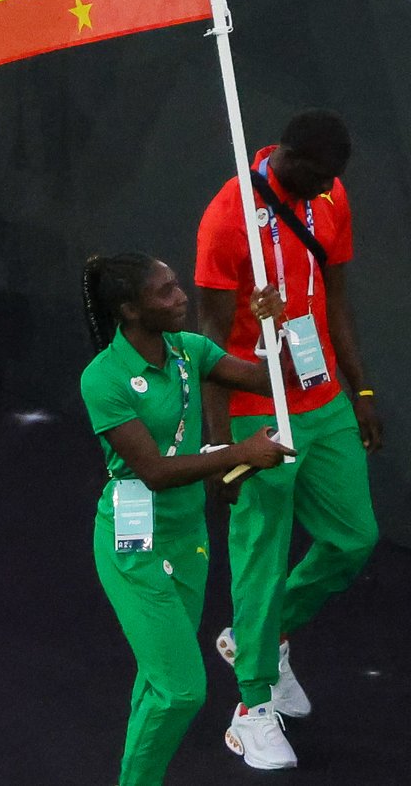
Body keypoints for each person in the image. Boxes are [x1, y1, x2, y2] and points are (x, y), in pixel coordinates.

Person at [195, 108, 381, 769]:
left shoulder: (329, 194)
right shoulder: (227, 216)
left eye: (334, 179)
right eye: (317, 176)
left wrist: (359, 390)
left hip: (322, 393)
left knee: (353, 538)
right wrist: (220, 446)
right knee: (260, 560)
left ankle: (261, 639)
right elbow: (210, 342)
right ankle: (250, 709)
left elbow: (338, 299)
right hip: (254, 406)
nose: (326, 188)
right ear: (288, 158)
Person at [78, 252, 291, 786]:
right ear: (129, 309)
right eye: (165, 292)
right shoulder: (102, 379)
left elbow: (273, 382)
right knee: (182, 689)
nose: (181, 299)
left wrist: (270, 325)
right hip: (133, 547)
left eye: (177, 286)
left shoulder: (189, 350)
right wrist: (236, 452)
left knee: (158, 682)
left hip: (188, 538)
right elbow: (153, 470)